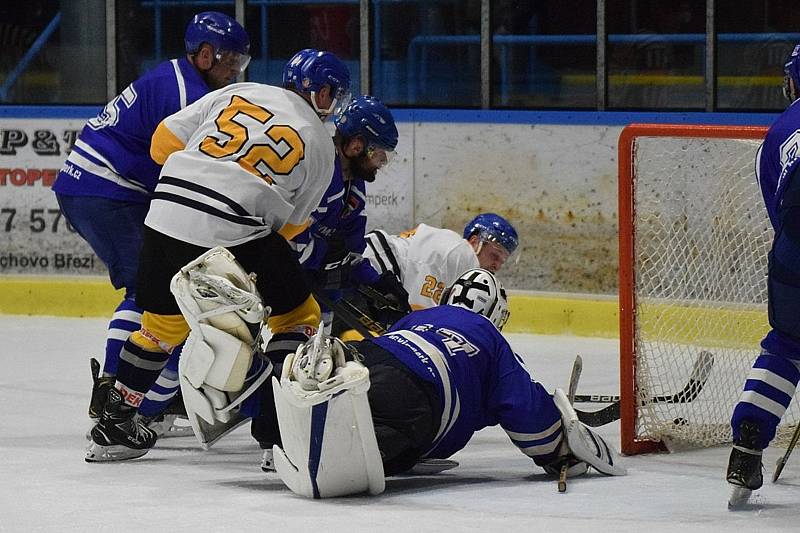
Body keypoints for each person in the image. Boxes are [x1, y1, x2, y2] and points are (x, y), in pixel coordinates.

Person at [85, 48, 351, 463]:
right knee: (297, 317)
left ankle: (114, 424)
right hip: (234, 223)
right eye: (332, 94)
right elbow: (293, 226)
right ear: (318, 93)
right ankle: (276, 432)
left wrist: (206, 170)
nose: (333, 104)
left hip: (165, 213)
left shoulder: (240, 90)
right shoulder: (320, 142)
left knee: (160, 326)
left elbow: (162, 144)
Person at [52, 12, 251, 425]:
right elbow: (193, 175)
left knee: (163, 286)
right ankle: (113, 390)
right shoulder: (185, 94)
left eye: (240, 62)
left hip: (107, 188)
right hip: (103, 189)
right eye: (231, 60)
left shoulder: (187, 82)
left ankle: (144, 388)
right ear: (205, 55)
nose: (236, 70)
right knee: (150, 288)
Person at [270, 268, 625, 497]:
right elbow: (524, 410)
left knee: (359, 386)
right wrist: (560, 451)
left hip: (373, 354)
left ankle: (290, 412)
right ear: (496, 317)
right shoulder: (491, 339)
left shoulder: (419, 316)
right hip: (416, 394)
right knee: (383, 442)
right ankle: (342, 441)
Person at [727, 43, 800, 506]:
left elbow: (781, 216)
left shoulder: (776, 132)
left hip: (794, 252)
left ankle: (746, 446)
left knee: (787, 347)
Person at [291, 95, 411, 329]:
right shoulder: (317, 172)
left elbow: (349, 253)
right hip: (281, 293)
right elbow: (293, 247)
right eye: (380, 154)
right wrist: (326, 259)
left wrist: (376, 284)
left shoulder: (355, 188)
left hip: (319, 299)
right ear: (357, 145)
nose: (382, 162)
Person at [362, 213, 519, 309]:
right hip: (369, 267)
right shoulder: (461, 253)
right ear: (474, 242)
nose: (497, 266)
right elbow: (418, 312)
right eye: (495, 255)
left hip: (370, 263)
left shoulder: (451, 248)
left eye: (502, 261)